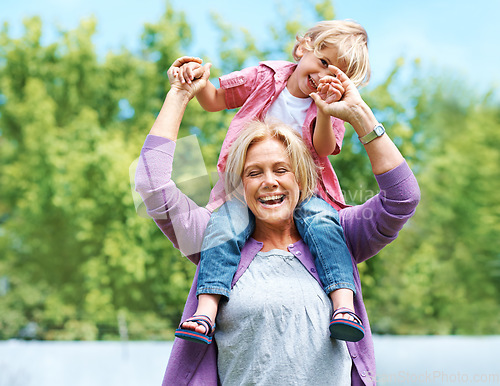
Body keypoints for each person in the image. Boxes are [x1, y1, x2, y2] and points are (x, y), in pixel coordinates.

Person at [134, 57, 420, 384]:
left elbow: (403, 198)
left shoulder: (340, 236)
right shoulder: (212, 237)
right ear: (240, 186)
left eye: (281, 170)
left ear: (301, 179)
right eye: (254, 173)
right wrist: (181, 93)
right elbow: (150, 185)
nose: (269, 181)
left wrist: (358, 114)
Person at [173, 20, 371, 343]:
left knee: (324, 223)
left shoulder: (331, 108)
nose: (324, 77)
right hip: (245, 188)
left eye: (336, 75)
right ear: (303, 47)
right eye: (323, 63)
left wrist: (324, 110)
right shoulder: (265, 77)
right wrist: (197, 79)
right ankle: (205, 312)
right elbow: (215, 99)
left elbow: (322, 149)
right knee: (223, 228)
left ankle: (344, 307)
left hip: (301, 193)